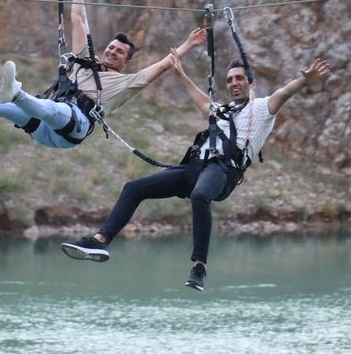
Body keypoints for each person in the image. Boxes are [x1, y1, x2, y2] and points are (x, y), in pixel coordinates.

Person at [61, 52, 331, 291]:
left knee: (200, 196)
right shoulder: (221, 111)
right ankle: (100, 239)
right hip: (194, 168)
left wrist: (305, 81)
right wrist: (180, 73)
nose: (234, 83)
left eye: (239, 78)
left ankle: (199, 267)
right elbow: (202, 101)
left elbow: (284, 93)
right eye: (230, 80)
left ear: (251, 83)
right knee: (134, 188)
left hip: (223, 172)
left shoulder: (262, 109)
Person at [0, 0, 207, 148]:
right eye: (111, 47)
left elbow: (163, 65)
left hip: (72, 128)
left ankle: (15, 93)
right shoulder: (84, 60)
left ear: (126, 63)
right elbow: (77, 19)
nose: (112, 52)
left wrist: (188, 45)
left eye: (119, 52)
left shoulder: (126, 83)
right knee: (4, 109)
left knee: (54, 110)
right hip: (45, 128)